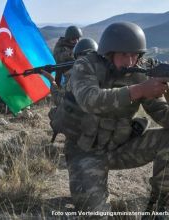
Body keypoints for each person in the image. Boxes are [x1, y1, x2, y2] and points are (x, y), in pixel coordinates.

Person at [61, 21, 169, 219]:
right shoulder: (86, 66)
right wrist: (139, 90)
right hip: (84, 153)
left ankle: (160, 206)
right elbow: (89, 100)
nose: (129, 61)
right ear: (109, 53)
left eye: (134, 55)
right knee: (95, 215)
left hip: (119, 148)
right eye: (124, 54)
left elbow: (162, 113)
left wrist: (161, 90)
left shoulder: (139, 73)